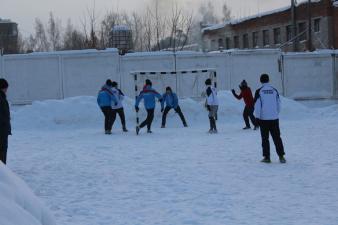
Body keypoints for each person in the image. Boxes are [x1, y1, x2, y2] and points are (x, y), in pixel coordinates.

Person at [254, 74, 286, 164]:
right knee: (277, 138)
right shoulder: (274, 90)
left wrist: (257, 118)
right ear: (268, 80)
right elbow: (279, 104)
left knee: (265, 139)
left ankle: (267, 157)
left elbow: (257, 106)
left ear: (260, 81)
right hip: (274, 118)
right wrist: (275, 113)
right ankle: (281, 156)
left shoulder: (259, 91)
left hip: (264, 119)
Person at [0, 78, 11, 165]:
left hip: (3, 129)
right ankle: (3, 172)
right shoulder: (1, 98)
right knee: (2, 150)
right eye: (6, 88)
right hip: (1, 130)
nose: (7, 90)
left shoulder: (2, 97)